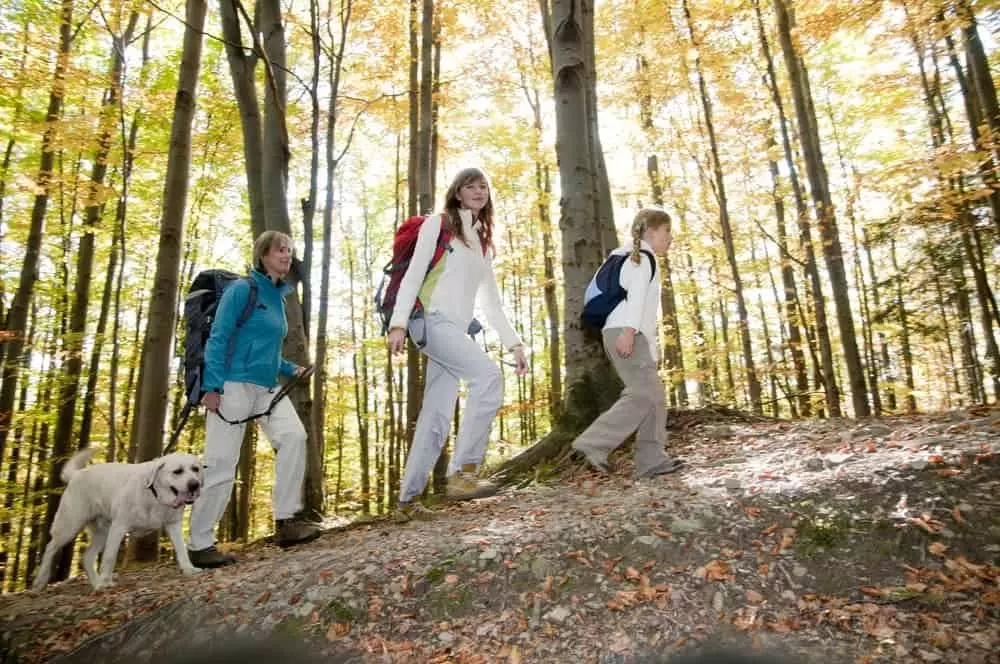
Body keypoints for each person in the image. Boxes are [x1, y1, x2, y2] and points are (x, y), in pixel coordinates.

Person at [387, 167, 528, 522]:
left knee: (436, 412)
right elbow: (415, 273)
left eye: (483, 185)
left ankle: (407, 501)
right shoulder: (439, 224)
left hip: (455, 331)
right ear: (458, 192)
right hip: (430, 321)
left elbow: (491, 302)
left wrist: (515, 344)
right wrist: (398, 323)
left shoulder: (481, 239)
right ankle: (463, 473)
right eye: (470, 185)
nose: (479, 191)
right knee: (488, 377)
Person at [187, 231, 320, 568]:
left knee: (293, 436)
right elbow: (219, 338)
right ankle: (200, 544)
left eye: (290, 250)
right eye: (280, 250)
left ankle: (286, 521)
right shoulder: (241, 290)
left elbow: (268, 352)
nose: (286, 255)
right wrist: (211, 387)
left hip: (266, 387)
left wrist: (294, 370)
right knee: (221, 463)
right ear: (263, 255)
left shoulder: (279, 298)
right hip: (231, 384)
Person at [572, 208, 684, 478]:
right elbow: (634, 298)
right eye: (667, 231)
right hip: (625, 331)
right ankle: (592, 443)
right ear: (651, 231)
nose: (670, 238)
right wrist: (630, 332)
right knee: (642, 393)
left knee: (654, 397)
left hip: (625, 331)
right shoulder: (642, 258)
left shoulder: (625, 255)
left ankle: (651, 460)